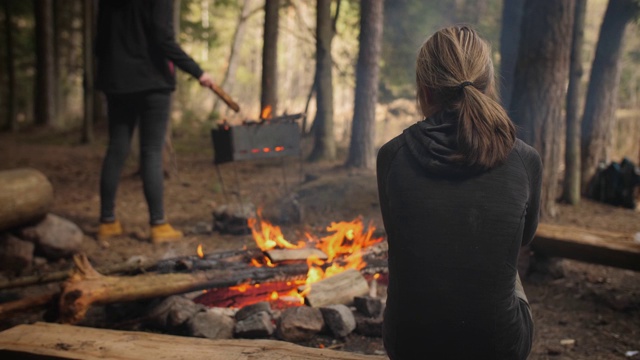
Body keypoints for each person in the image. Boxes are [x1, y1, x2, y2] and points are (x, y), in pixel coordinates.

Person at [376, 26, 542, 359]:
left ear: (424, 91)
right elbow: (525, 238)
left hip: (410, 346)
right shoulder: (524, 159)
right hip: (498, 348)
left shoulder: (391, 156)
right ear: (488, 86)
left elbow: (398, 233)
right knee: (505, 263)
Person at [95, 0, 215, 243]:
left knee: (117, 148)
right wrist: (198, 72)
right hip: (153, 83)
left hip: (117, 82)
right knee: (151, 151)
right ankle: (158, 225)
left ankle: (107, 222)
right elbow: (162, 39)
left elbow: (99, 42)